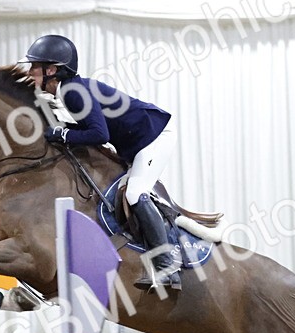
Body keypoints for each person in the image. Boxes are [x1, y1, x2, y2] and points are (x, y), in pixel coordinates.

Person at [22, 34, 180, 290]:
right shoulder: (69, 91)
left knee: (135, 193)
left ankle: (166, 266)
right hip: (138, 141)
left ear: (51, 70)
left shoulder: (73, 93)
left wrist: (63, 134)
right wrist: (62, 129)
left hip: (155, 137)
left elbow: (100, 135)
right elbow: (92, 128)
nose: (29, 72)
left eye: (34, 67)